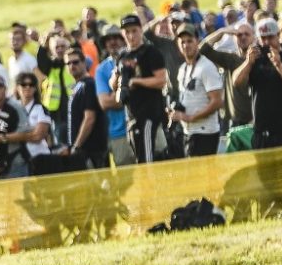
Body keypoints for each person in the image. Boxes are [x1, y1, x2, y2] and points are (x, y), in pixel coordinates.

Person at [112, 14, 168, 163]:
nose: (131, 35)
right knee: (138, 154)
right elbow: (114, 83)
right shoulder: (122, 55)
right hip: (130, 113)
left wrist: (136, 81)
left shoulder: (151, 52)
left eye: (134, 31)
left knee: (146, 156)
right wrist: (118, 79)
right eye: (127, 31)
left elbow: (161, 81)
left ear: (141, 30)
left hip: (148, 113)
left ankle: (149, 184)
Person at [233, 17, 282, 150]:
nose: (266, 42)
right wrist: (248, 63)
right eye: (262, 38)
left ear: (278, 35)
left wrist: (279, 65)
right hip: (261, 133)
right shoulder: (255, 56)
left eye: (270, 38)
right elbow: (236, 82)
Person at [171, 24, 223, 157]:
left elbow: (217, 101)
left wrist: (190, 117)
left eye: (189, 41)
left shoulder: (206, 67)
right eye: (182, 42)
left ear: (198, 41)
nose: (186, 45)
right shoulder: (183, 68)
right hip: (189, 132)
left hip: (205, 132)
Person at [199, 23, 256, 129]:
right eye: (239, 35)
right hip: (234, 121)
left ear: (253, 37)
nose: (243, 37)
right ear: (234, 39)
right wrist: (222, 32)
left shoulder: (259, 59)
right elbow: (203, 50)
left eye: (247, 34)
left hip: (255, 120)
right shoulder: (230, 59)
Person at [94, 25, 134, 166]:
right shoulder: (101, 69)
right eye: (109, 39)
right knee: (126, 178)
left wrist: (119, 95)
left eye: (117, 38)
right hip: (118, 133)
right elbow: (105, 102)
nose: (113, 42)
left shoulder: (136, 59)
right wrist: (130, 94)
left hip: (140, 126)